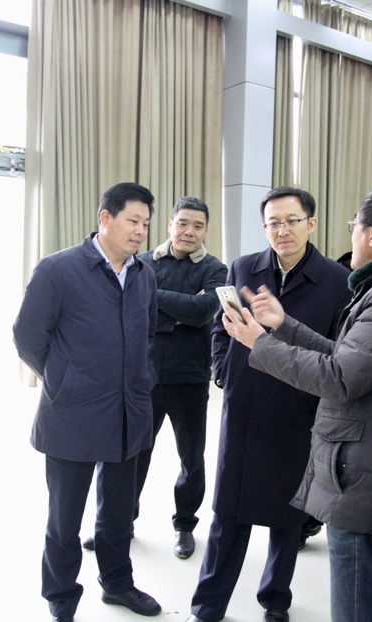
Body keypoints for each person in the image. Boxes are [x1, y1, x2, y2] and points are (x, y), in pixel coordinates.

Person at [221, 184, 372, 622]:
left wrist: (259, 344)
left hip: (367, 481)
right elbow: (351, 358)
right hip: (366, 472)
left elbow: (339, 377)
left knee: (359, 608)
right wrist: (284, 325)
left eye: (354, 226)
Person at [184, 187, 352, 622]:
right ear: (264, 228)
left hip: (300, 411)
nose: (282, 230)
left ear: (311, 224)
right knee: (228, 513)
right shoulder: (244, 267)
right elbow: (221, 326)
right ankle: (208, 605)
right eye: (274, 223)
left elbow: (340, 350)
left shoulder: (337, 280)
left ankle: (275, 600)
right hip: (246, 406)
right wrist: (224, 371)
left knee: (288, 517)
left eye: (292, 221)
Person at [13, 182, 163, 622]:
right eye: (133, 221)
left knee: (118, 516)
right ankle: (61, 598)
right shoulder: (59, 269)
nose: (140, 231)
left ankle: (117, 584)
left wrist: (142, 379)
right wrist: (63, 380)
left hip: (129, 412)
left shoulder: (144, 274)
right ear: (105, 218)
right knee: (65, 520)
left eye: (146, 223)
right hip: (72, 414)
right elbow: (27, 336)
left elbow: (149, 333)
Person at [133, 196, 228, 558]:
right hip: (143, 375)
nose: (189, 231)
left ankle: (185, 525)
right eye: (183, 223)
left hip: (189, 377)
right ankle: (121, 521)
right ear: (170, 224)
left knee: (191, 458)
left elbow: (203, 311)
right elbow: (132, 310)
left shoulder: (216, 269)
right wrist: (179, 312)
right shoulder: (143, 262)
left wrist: (155, 300)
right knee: (134, 453)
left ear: (206, 230)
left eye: (198, 226)